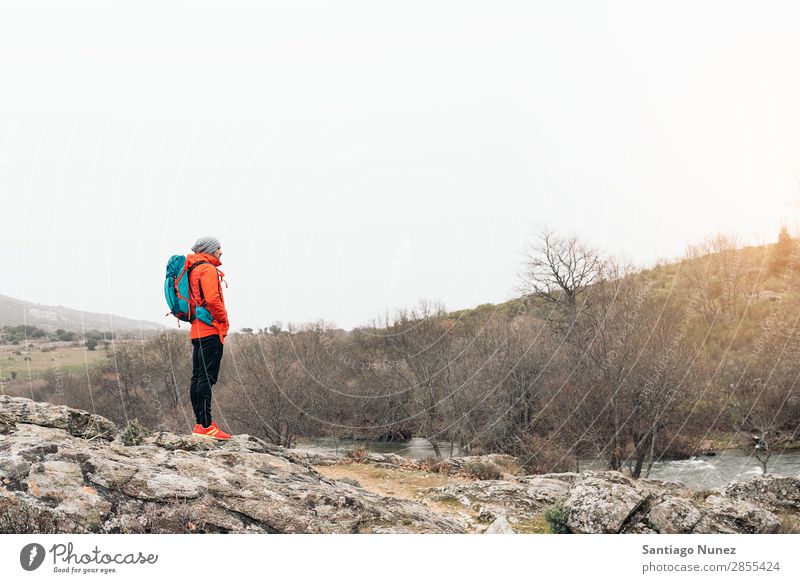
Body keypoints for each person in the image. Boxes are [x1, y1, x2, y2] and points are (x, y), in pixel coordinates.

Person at [186, 236, 232, 440]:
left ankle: (200, 424)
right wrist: (223, 318)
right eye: (219, 248)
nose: (221, 251)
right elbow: (213, 299)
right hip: (210, 330)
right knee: (206, 377)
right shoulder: (207, 269)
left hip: (197, 330)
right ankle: (206, 426)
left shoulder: (194, 268)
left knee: (197, 377)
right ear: (210, 249)